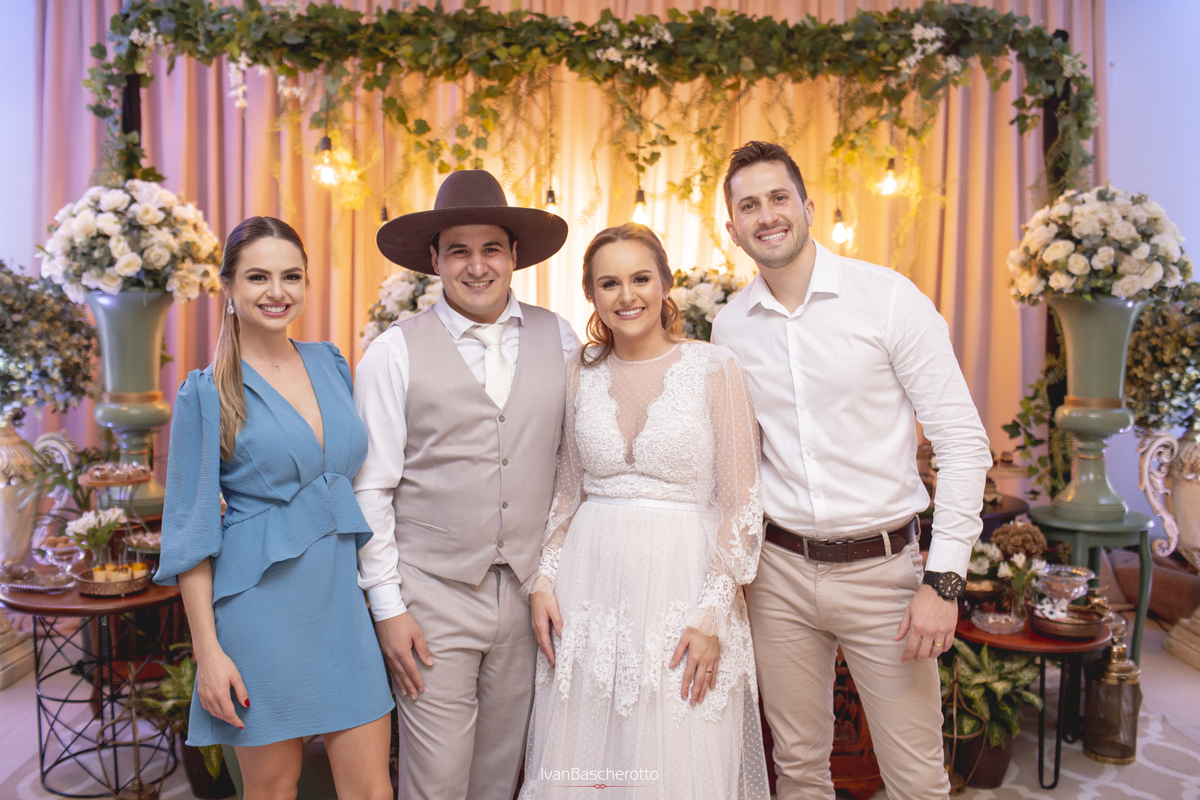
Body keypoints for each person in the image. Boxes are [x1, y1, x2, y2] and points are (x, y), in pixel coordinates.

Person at [712, 141, 992, 800]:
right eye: (749, 206)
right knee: (798, 769)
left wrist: (943, 581)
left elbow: (962, 441)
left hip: (884, 574)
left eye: (778, 197)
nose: (766, 215)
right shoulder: (730, 328)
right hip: (778, 575)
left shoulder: (888, 299)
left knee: (916, 779)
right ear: (733, 228)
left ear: (808, 206)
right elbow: (738, 460)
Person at [519, 223, 770, 799]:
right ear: (591, 294)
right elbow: (568, 491)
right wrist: (543, 581)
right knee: (590, 763)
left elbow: (742, 506)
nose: (626, 295)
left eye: (640, 278)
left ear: (665, 284)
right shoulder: (579, 370)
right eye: (609, 283)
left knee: (678, 752)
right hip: (589, 590)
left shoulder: (715, 367)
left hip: (685, 589)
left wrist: (711, 616)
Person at [353, 169, 578, 800]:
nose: (476, 267)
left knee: (498, 780)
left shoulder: (559, 336)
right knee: (437, 783)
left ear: (514, 256)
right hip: (432, 597)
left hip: (528, 598)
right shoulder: (393, 353)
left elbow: (573, 467)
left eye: (491, 249)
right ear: (435, 260)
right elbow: (370, 490)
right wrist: (389, 609)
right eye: (458, 251)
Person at [155, 217, 394, 800]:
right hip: (258, 615)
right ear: (228, 287)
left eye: (291, 276)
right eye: (258, 277)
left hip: (343, 607)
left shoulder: (331, 363)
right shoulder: (207, 392)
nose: (277, 291)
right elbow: (189, 535)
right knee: (272, 791)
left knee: (372, 790)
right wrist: (209, 654)